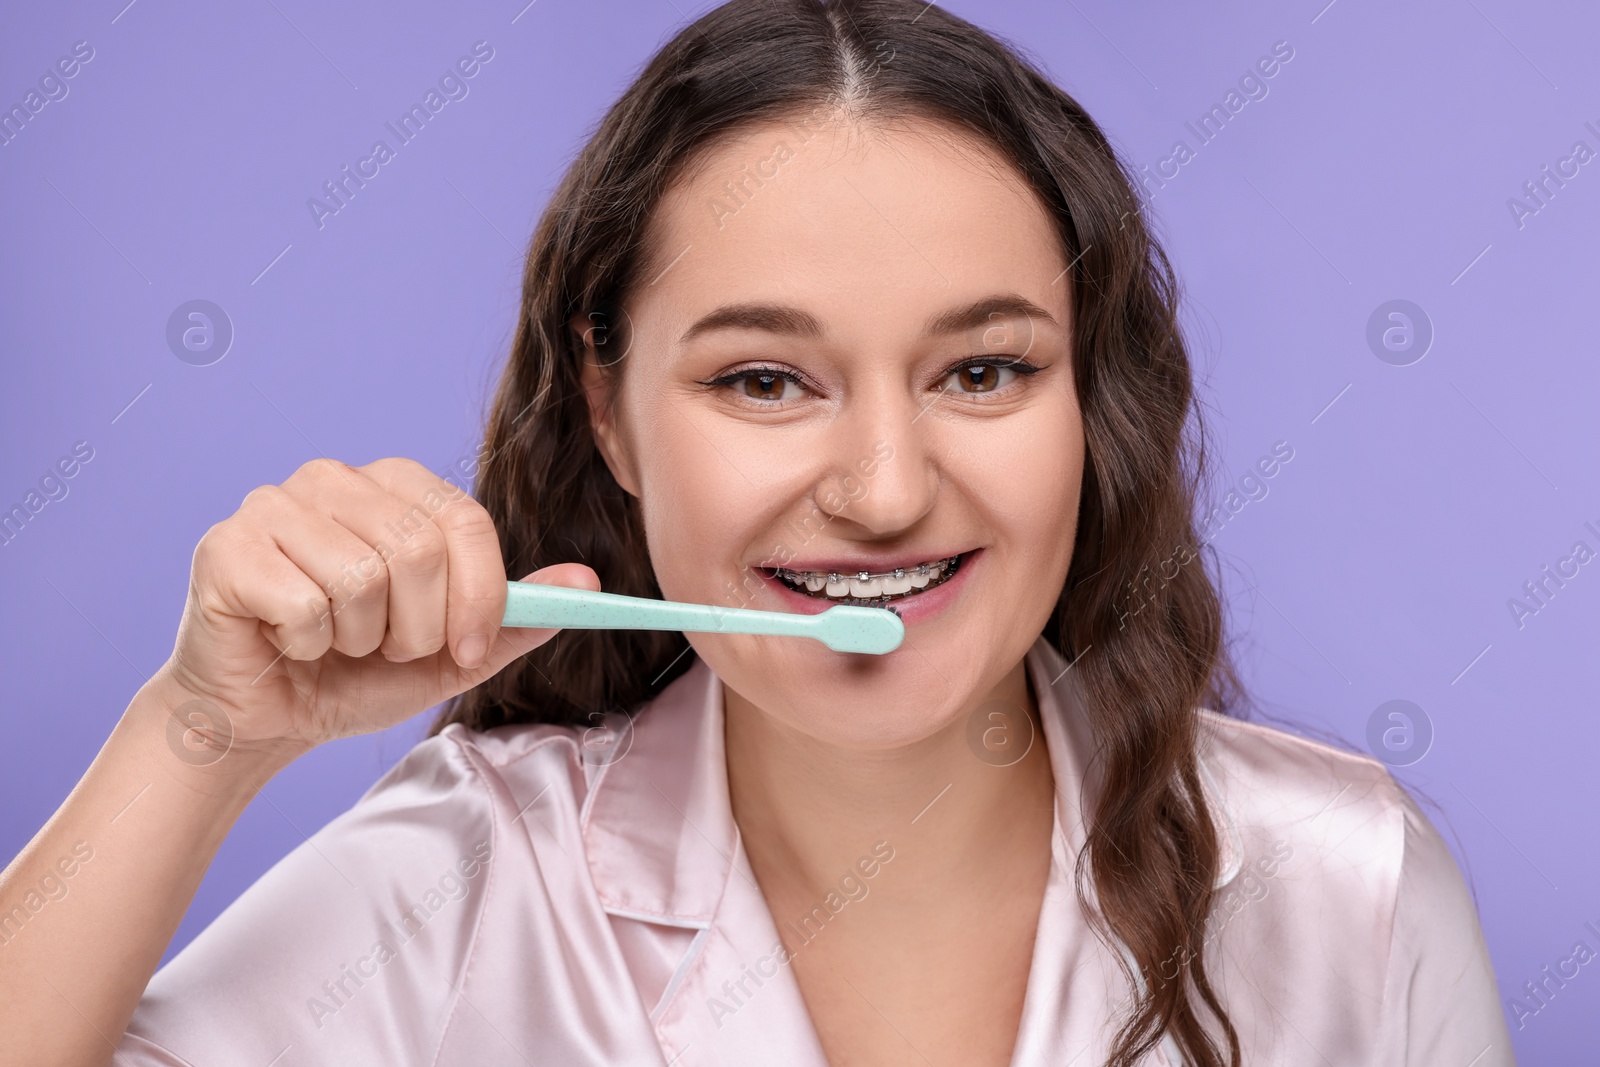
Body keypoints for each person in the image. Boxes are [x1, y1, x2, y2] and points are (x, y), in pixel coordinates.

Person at [0, 1, 1515, 1064]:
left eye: (982, 370)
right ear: (609, 415)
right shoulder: (464, 885)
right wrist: (199, 736)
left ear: (1089, 401)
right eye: (764, 380)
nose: (880, 489)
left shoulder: (1346, 885)